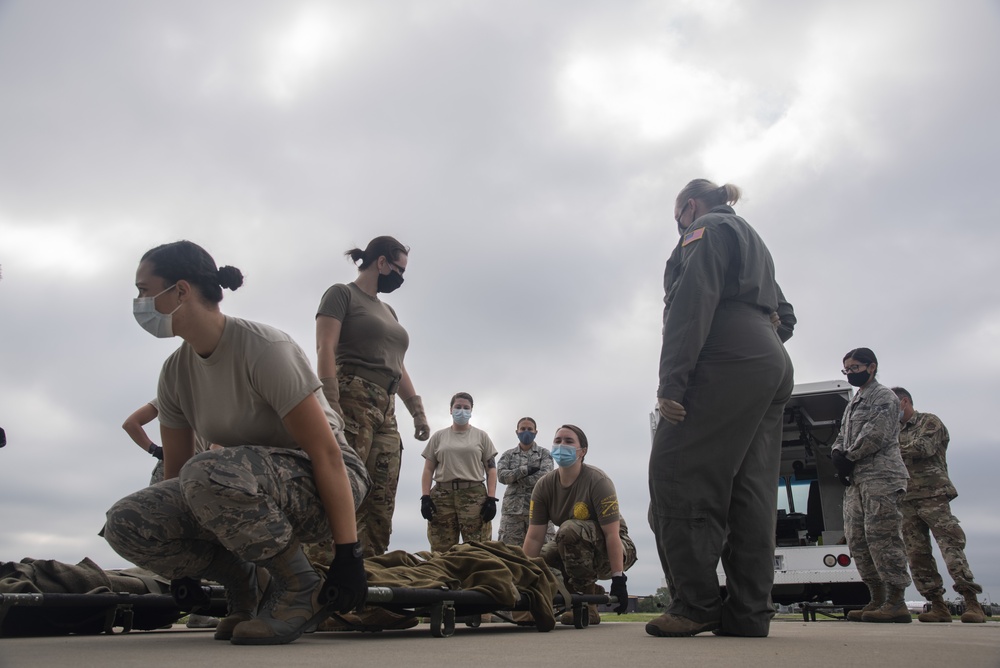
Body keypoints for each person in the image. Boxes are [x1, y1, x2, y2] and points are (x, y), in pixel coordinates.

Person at [103, 240, 370, 646]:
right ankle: (241, 586)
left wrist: (348, 555)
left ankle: (300, 588)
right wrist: (183, 571)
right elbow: (174, 478)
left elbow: (326, 453)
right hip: (237, 484)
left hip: (327, 480)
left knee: (208, 468)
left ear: (180, 290)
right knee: (126, 522)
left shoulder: (264, 348)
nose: (138, 301)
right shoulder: (175, 372)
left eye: (144, 289)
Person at [647, 179, 795, 638]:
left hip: (724, 356)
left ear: (689, 206)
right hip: (768, 361)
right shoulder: (754, 240)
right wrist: (764, 331)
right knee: (750, 492)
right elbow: (785, 317)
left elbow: (693, 303)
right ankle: (749, 614)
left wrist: (672, 381)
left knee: (677, 473)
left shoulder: (705, 228)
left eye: (677, 217)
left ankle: (695, 605)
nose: (678, 225)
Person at [314, 236, 429, 559]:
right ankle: (320, 576)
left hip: (386, 408)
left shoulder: (388, 309)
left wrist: (416, 409)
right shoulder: (342, 294)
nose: (400, 278)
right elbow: (325, 346)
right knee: (342, 488)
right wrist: (331, 400)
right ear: (381, 262)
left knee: (381, 499)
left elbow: (397, 363)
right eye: (398, 269)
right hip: (351, 396)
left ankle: (368, 584)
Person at [121, 398, 220, 630]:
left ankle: (165, 607)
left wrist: (158, 451)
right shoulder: (207, 397)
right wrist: (156, 450)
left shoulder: (173, 395)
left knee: (166, 538)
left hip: (170, 469)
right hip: (192, 472)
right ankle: (187, 610)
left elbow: (131, 423)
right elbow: (130, 423)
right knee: (196, 538)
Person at [523, 424, 636, 626]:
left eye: (568, 441)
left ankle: (586, 605)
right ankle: (585, 592)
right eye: (558, 441)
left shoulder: (598, 480)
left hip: (615, 548)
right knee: (541, 559)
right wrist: (523, 575)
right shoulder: (543, 486)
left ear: (582, 451)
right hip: (574, 543)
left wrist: (619, 580)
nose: (561, 445)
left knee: (568, 530)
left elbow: (612, 535)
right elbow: (534, 537)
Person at [830, 348, 912, 624]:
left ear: (871, 367)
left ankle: (896, 601)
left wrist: (848, 457)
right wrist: (837, 452)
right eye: (847, 370)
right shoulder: (854, 402)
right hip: (857, 480)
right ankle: (876, 597)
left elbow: (875, 434)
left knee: (883, 538)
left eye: (854, 368)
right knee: (858, 540)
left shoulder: (884, 397)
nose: (851, 373)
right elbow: (843, 433)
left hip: (881, 477)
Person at [892, 387, 985, 623]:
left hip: (933, 496)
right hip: (906, 499)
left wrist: (887, 451)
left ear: (904, 402)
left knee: (951, 547)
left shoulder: (929, 422)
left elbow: (924, 448)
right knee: (916, 554)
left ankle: (972, 603)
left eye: (892, 405)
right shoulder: (893, 431)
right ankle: (937, 605)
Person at [420, 392, 498, 552]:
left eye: (466, 407)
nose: (461, 410)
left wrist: (491, 498)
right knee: (441, 549)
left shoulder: (481, 436)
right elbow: (428, 469)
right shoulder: (438, 437)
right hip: (442, 496)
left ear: (471, 410)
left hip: (473, 496)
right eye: (458, 407)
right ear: (450, 409)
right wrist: (425, 497)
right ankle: (443, 577)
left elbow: (491, 469)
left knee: (478, 548)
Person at [122, 398, 216, 485]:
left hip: (197, 468)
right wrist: (156, 450)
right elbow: (130, 424)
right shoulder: (174, 394)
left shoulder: (218, 408)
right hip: (175, 462)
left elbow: (215, 450)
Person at [496, 417, 555, 547]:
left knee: (544, 553)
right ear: (517, 432)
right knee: (510, 553)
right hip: (512, 514)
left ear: (535, 432)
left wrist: (515, 477)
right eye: (523, 429)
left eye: (530, 429)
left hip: (539, 511)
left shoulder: (544, 454)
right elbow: (501, 476)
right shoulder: (508, 455)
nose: (526, 431)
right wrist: (524, 470)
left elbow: (545, 476)